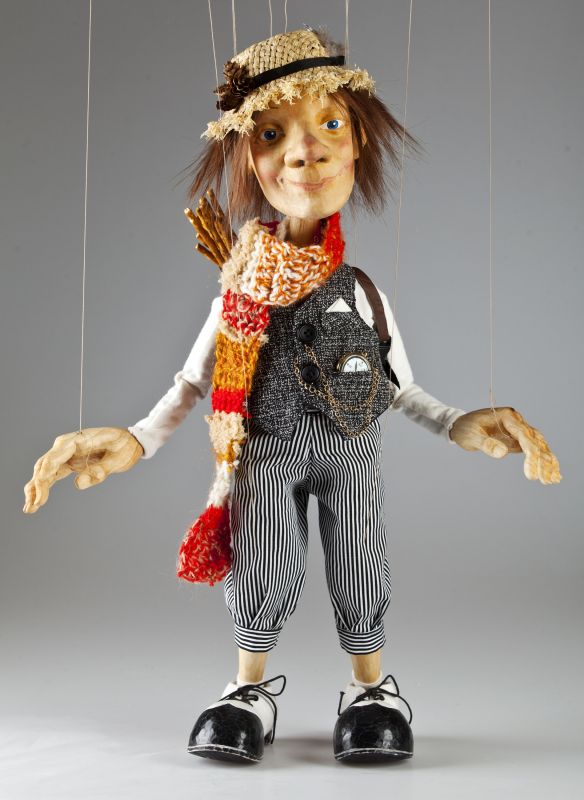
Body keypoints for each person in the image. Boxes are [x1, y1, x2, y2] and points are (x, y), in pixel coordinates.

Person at [23, 28, 561, 765]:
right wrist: (137, 438)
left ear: (358, 141)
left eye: (329, 124)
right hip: (265, 451)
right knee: (263, 560)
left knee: (360, 559)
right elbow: (194, 381)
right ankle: (246, 691)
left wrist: (458, 422)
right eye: (274, 134)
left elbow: (400, 386)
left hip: (350, 450)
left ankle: (371, 692)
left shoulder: (359, 291)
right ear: (250, 156)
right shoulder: (240, 291)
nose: (306, 152)